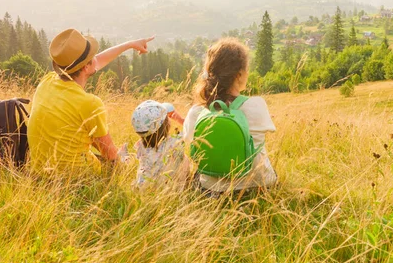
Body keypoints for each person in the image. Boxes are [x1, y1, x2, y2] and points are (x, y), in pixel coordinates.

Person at [27, 28, 154, 173]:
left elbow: (95, 62)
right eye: (92, 56)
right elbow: (110, 155)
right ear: (86, 67)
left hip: (42, 172)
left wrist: (130, 44)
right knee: (119, 162)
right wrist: (121, 161)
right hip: (77, 179)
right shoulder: (89, 103)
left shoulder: (47, 82)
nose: (96, 58)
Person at [182, 38, 277, 193]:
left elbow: (189, 142)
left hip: (211, 189)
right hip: (257, 186)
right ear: (239, 74)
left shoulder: (196, 113)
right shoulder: (256, 105)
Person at [131, 100, 187, 187]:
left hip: (144, 187)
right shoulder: (174, 143)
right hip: (167, 190)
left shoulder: (140, 145)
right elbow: (191, 130)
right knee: (185, 159)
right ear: (165, 125)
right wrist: (181, 120)